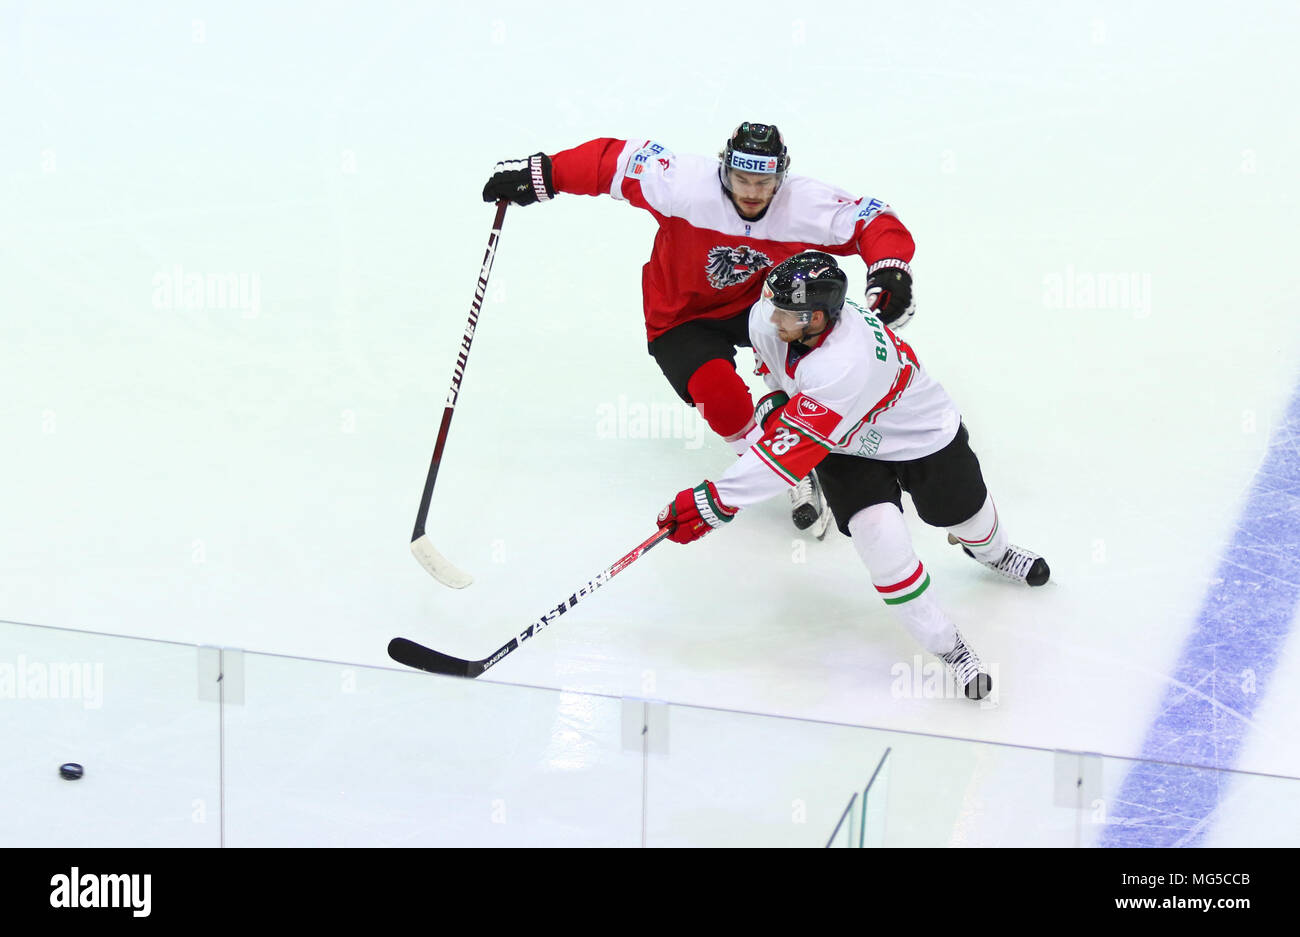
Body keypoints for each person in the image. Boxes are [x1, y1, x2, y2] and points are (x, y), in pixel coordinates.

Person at [482, 123, 916, 533]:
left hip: (764, 307)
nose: (752, 192)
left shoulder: (803, 203)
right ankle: (777, 467)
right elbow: (611, 162)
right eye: (742, 178)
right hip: (681, 315)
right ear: (723, 168)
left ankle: (792, 420)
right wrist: (541, 176)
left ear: (782, 176)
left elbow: (871, 219)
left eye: (764, 183)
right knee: (722, 402)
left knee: (817, 358)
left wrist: (890, 268)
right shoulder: (682, 184)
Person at [654, 252, 1049, 700]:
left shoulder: (845, 361)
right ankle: (950, 647)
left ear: (816, 317)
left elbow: (784, 458)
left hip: (920, 435)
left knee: (968, 520)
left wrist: (714, 501)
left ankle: (992, 553)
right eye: (773, 303)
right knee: (883, 545)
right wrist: (777, 408)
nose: (770, 315)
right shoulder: (771, 320)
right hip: (843, 446)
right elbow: (785, 394)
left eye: (785, 311)